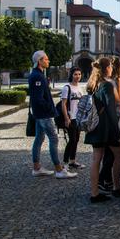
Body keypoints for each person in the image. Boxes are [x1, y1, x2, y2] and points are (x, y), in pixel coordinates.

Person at [29, 51, 76, 179]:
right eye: (46, 59)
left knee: (39, 138)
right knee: (54, 139)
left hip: (40, 114)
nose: (48, 61)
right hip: (44, 114)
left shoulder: (37, 74)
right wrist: (50, 108)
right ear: (39, 61)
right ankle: (59, 170)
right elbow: (38, 99)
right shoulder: (37, 76)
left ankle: (37, 168)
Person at [86, 57, 120, 203]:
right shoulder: (107, 85)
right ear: (106, 68)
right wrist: (117, 131)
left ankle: (94, 192)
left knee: (96, 159)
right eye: (110, 66)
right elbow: (110, 110)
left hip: (95, 125)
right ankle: (116, 187)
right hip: (106, 127)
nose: (111, 68)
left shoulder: (93, 83)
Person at [61, 67, 84, 170]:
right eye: (75, 74)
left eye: (79, 74)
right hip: (71, 117)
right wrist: (66, 118)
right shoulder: (67, 87)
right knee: (72, 140)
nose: (77, 76)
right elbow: (63, 104)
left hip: (78, 118)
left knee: (77, 139)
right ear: (71, 75)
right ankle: (65, 162)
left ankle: (72, 161)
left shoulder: (80, 87)